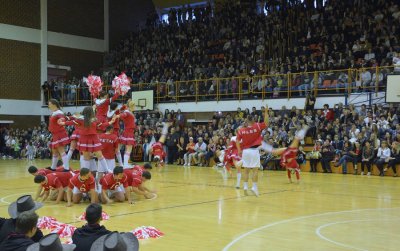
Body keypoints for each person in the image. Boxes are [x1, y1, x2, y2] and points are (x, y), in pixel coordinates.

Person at [236, 106, 269, 197]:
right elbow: (266, 123)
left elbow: (237, 140)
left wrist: (239, 150)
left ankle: (245, 186)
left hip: (245, 152)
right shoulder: (257, 126)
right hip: (254, 151)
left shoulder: (241, 130)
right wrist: (266, 112)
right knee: (255, 170)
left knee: (246, 170)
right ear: (253, 119)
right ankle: (254, 187)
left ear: (246, 120)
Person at [47, 99, 70, 171]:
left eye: (49, 104)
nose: (48, 105)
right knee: (54, 151)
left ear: (54, 104)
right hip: (55, 134)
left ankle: (66, 167)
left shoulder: (59, 112)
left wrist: (61, 120)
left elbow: (62, 118)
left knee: (61, 150)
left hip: (59, 133)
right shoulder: (53, 113)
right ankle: (53, 167)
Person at [116, 101, 136, 168]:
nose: (135, 108)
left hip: (129, 131)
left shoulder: (129, 112)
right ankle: (125, 164)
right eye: (134, 106)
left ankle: (124, 164)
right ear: (131, 106)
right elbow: (123, 115)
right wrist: (118, 115)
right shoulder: (127, 112)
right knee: (128, 149)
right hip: (128, 131)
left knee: (127, 149)